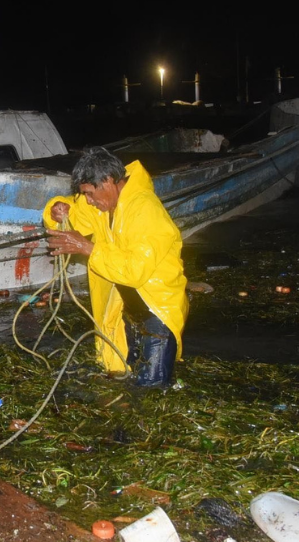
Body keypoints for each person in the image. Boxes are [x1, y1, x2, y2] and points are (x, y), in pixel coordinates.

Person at [41, 147, 189, 387]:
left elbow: (134, 271)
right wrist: (57, 209)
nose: (88, 201)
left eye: (89, 194)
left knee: (151, 389)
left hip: (156, 310)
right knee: (128, 375)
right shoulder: (105, 204)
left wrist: (87, 248)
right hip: (129, 307)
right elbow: (73, 211)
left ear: (108, 181)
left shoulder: (145, 210)